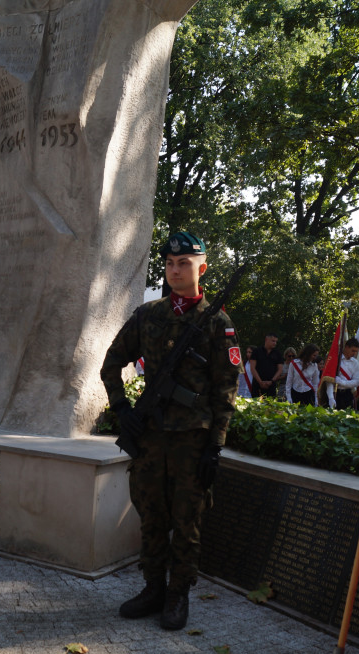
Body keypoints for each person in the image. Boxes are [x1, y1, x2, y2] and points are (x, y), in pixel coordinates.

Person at [100, 230, 240, 631]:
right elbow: (111, 362)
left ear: (202, 268)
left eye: (184, 263)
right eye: (169, 263)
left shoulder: (218, 324)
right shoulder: (148, 316)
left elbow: (224, 391)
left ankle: (178, 595)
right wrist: (122, 408)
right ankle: (153, 589)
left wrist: (215, 446)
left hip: (192, 442)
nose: (175, 270)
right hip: (149, 436)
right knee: (151, 516)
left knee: (187, 520)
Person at [249, 333, 283, 398]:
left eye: (276, 341)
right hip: (257, 384)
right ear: (266, 340)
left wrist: (272, 381)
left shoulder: (277, 353)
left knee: (270, 406)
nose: (275, 343)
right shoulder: (256, 351)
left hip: (271, 386)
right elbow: (252, 368)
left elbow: (280, 369)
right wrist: (260, 382)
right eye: (273, 341)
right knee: (256, 405)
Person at [333, 339, 359, 409]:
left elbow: (356, 382)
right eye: (353, 350)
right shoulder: (336, 359)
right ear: (346, 347)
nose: (354, 353)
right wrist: (331, 397)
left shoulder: (355, 363)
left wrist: (342, 382)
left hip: (347, 394)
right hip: (335, 392)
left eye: (356, 351)